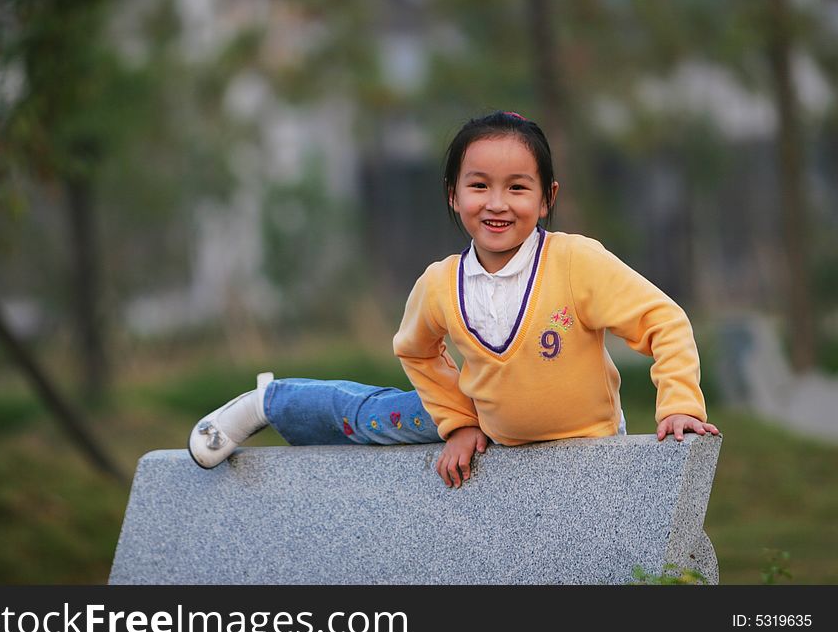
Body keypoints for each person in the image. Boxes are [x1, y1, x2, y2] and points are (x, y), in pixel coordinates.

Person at [188, 110, 719, 487]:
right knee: (366, 417)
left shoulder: (576, 262)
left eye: (517, 187)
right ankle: (268, 402)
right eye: (478, 186)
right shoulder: (440, 284)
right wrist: (460, 423)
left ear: (547, 197)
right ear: (452, 194)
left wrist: (678, 406)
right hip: (482, 418)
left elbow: (663, 321)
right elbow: (416, 350)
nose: (497, 204)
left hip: (588, 437)